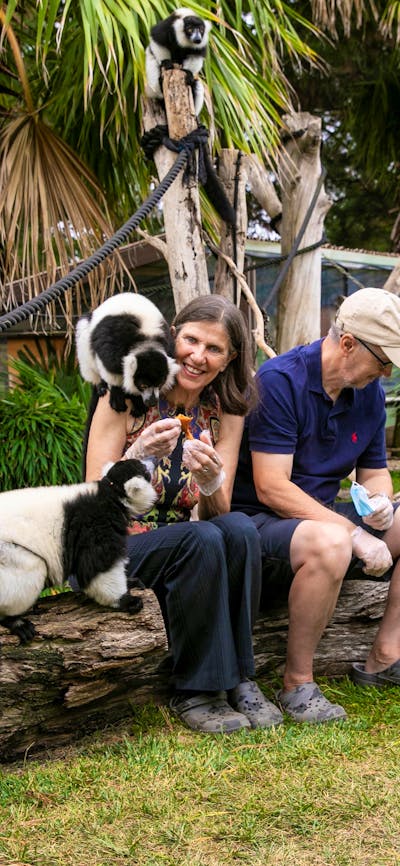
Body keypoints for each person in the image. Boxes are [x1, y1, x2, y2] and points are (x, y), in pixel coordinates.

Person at [85, 294, 284, 733]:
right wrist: (137, 455)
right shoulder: (126, 391)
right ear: (172, 336)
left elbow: (218, 511)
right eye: (191, 340)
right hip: (112, 545)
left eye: (214, 349)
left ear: (230, 359)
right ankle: (197, 689)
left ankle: (241, 678)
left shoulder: (226, 409)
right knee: (200, 538)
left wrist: (211, 481)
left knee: (238, 528)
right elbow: (94, 501)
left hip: (184, 544)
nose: (198, 356)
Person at [232, 287, 400, 723]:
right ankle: (297, 683)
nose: (386, 373)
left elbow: (375, 472)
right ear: (348, 344)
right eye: (383, 361)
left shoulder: (367, 393)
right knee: (333, 542)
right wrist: (356, 533)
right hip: (260, 523)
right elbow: (272, 488)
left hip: (320, 517)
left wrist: (380, 501)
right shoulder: (279, 381)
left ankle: (385, 656)